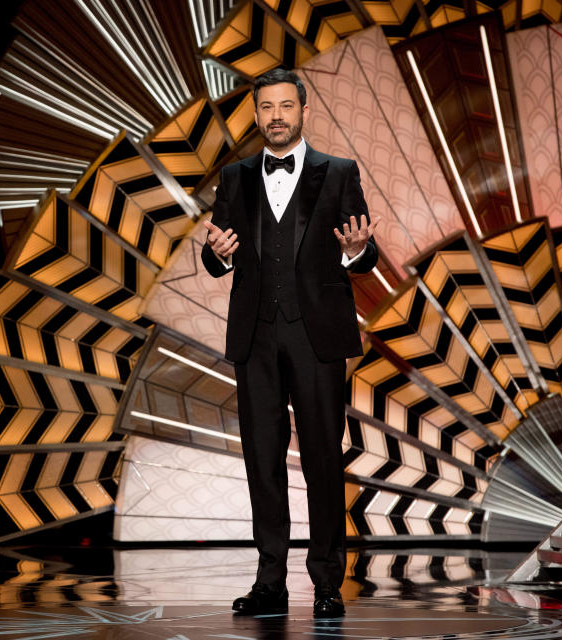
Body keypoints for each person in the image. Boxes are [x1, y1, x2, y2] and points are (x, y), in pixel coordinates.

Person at [201, 68, 380, 618]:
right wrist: (220, 253)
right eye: (266, 108)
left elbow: (364, 252)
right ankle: (269, 581)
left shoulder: (340, 172)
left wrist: (354, 251)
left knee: (325, 457)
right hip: (255, 335)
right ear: (256, 115)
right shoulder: (234, 177)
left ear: (304, 111)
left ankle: (328, 582)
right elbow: (215, 255)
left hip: (316, 333)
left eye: (285, 106)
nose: (275, 116)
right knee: (262, 458)